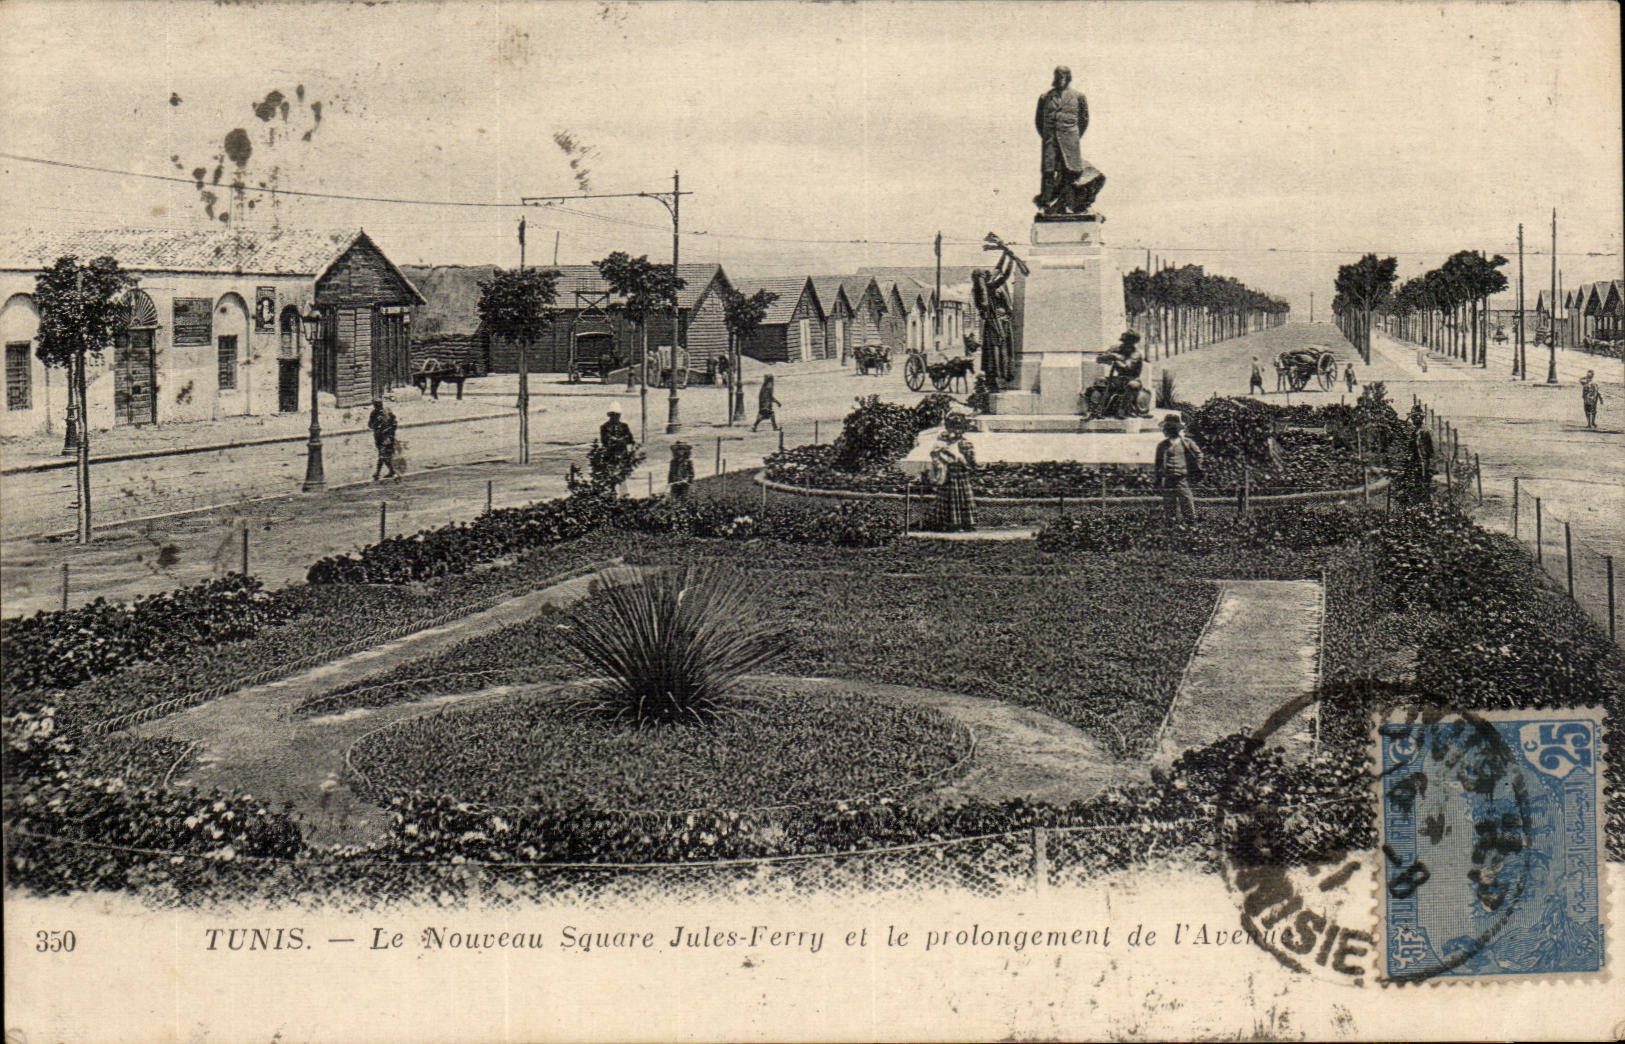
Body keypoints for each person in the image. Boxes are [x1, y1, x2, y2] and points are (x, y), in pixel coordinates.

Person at [1034, 65, 1105, 215]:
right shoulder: (1045, 97)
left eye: (1064, 76)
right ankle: (1046, 205)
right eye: (1058, 75)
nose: (1061, 79)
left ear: (1068, 77)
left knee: (1071, 172)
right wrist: (1048, 137)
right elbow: (1039, 122)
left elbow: (1083, 121)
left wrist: (1072, 137)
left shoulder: (1078, 97)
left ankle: (1068, 204)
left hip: (1070, 141)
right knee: (1048, 173)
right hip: (1050, 142)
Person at [928, 413, 978, 532]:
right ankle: (948, 522)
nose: (954, 431)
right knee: (949, 499)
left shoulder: (965, 444)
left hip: (960, 475)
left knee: (960, 499)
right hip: (949, 475)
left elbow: (971, 461)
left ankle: (963, 522)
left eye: (958, 428)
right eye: (952, 427)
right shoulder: (943, 443)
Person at [1153, 413, 1203, 524]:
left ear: (1177, 428)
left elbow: (1198, 455)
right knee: (1169, 505)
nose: (1171, 430)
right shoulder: (1162, 445)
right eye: (1168, 427)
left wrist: (1194, 467)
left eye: (1173, 427)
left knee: (1187, 503)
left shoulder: (1187, 443)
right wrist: (1158, 477)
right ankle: (1171, 528)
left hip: (1182, 478)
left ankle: (1191, 526)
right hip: (1168, 479)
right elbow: (1158, 462)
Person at [1100, 331, 1146, 417]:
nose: (1125, 344)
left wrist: (1117, 360)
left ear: (1133, 343)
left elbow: (1127, 368)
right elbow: (1099, 358)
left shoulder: (1136, 354)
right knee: (1100, 381)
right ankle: (1094, 409)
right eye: (1124, 341)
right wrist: (1109, 356)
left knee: (1133, 385)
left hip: (1131, 379)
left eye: (1128, 342)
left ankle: (1122, 409)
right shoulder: (1116, 349)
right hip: (1119, 379)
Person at [598, 402, 636, 494]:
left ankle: (623, 494)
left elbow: (631, 440)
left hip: (622, 454)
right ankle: (612, 493)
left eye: (617, 415)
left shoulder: (624, 426)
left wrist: (624, 442)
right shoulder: (604, 427)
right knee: (611, 475)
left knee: (622, 476)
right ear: (609, 415)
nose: (615, 417)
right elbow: (604, 441)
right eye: (613, 415)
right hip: (610, 455)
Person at [1406, 404, 1435, 501]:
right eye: (1412, 417)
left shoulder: (1425, 431)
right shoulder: (1415, 432)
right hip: (1416, 462)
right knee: (1417, 483)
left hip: (1424, 461)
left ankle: (1427, 502)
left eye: (1415, 417)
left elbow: (1431, 449)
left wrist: (1430, 464)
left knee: (1425, 483)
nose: (1413, 420)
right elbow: (1412, 448)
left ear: (1421, 417)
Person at [367, 398, 398, 481]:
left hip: (387, 437)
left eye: (379, 404)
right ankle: (392, 472)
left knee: (382, 455)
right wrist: (376, 424)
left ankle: (377, 474)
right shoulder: (373, 413)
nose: (378, 406)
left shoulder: (388, 412)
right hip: (378, 437)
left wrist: (389, 432)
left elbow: (394, 424)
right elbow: (370, 425)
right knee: (384, 456)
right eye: (376, 404)